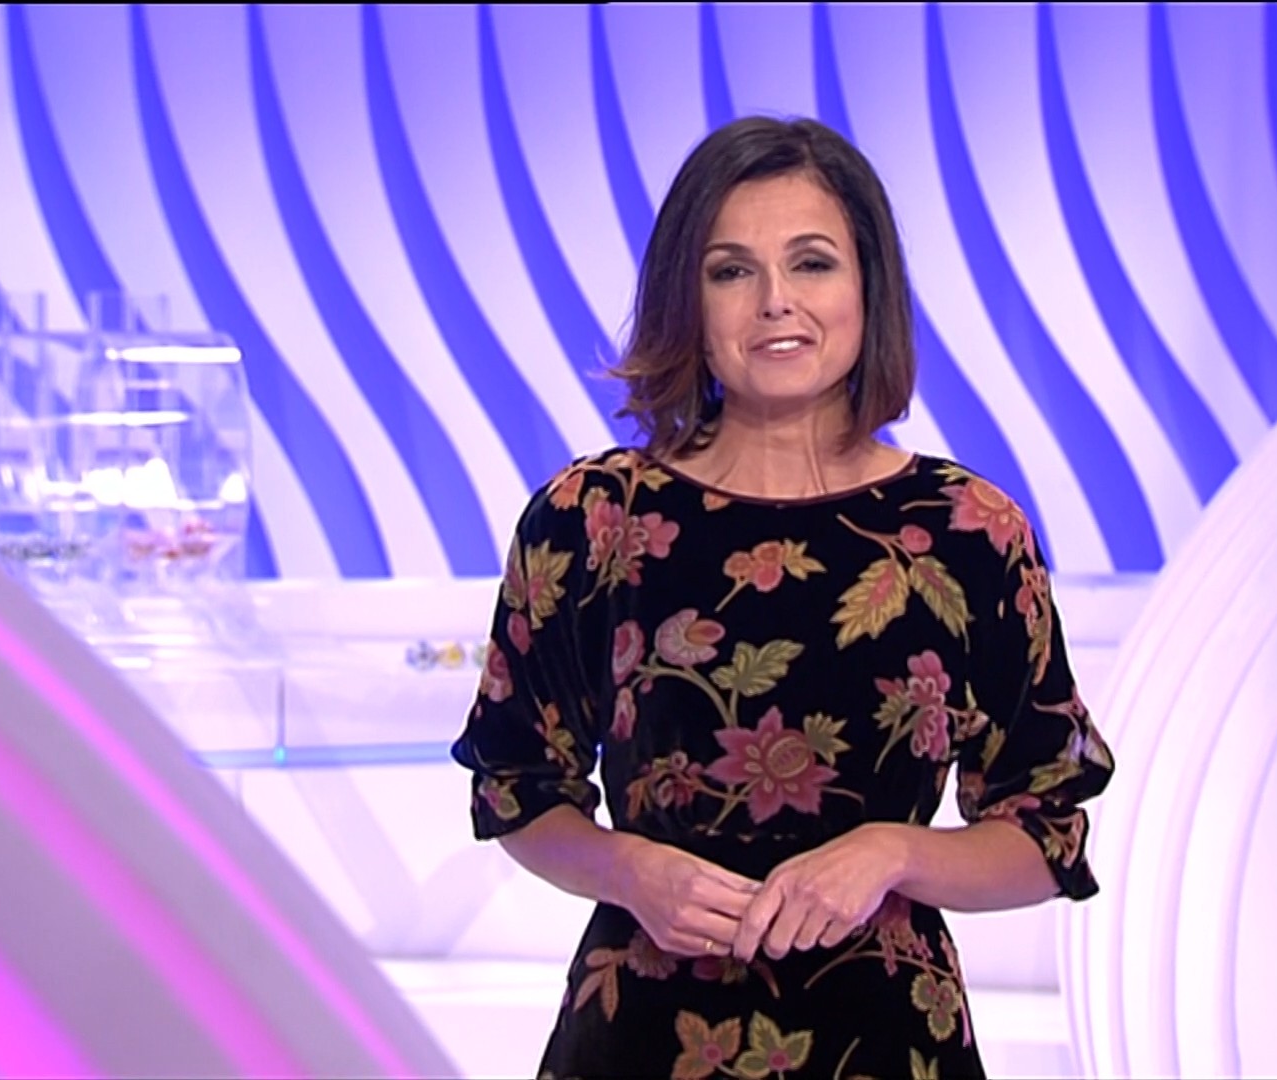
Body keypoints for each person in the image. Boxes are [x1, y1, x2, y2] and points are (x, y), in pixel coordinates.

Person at [450, 115, 1114, 1080]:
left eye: (812, 263)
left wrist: (894, 853)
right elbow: (515, 789)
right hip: (644, 1038)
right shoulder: (594, 519)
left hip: (890, 1041)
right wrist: (629, 869)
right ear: (686, 297)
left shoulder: (969, 531)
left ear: (868, 285)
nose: (775, 302)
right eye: (731, 270)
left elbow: (1045, 833)